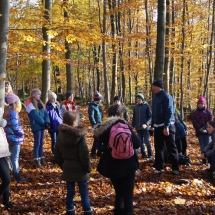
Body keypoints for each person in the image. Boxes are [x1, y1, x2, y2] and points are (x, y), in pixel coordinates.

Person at [93, 104, 141, 215]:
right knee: (128, 195)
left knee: (119, 193)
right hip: (129, 164)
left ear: (109, 114)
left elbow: (99, 143)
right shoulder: (125, 127)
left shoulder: (105, 128)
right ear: (121, 114)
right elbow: (138, 143)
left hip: (113, 164)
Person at [54, 111, 93, 215]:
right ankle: (87, 211)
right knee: (84, 192)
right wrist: (88, 168)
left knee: (70, 192)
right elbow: (84, 154)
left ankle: (70, 210)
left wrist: (64, 166)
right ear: (74, 121)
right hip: (81, 168)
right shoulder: (80, 136)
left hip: (67, 167)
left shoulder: (59, 136)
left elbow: (57, 154)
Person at [151, 79, 179, 175]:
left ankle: (175, 168)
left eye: (154, 86)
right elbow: (154, 114)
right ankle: (159, 166)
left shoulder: (167, 97)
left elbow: (169, 112)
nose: (152, 88)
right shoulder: (155, 99)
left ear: (158, 87)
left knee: (171, 147)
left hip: (168, 126)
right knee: (158, 147)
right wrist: (152, 126)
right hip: (157, 127)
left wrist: (166, 126)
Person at [3, 93, 28, 181]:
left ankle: (11, 172)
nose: (19, 103)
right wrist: (21, 133)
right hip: (14, 137)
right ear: (14, 102)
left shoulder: (7, 110)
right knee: (15, 157)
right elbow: (14, 125)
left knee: (11, 156)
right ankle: (17, 174)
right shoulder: (13, 112)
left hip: (9, 137)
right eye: (18, 101)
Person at [26, 89, 50, 168]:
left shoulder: (41, 103)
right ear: (34, 95)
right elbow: (35, 115)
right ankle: (36, 159)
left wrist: (47, 122)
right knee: (37, 143)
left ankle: (41, 157)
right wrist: (43, 123)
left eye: (40, 94)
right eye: (38, 94)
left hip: (42, 125)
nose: (40, 96)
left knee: (41, 143)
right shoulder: (30, 103)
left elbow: (46, 113)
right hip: (36, 125)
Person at [0, 107, 17, 210]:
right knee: (6, 179)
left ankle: (7, 202)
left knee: (7, 180)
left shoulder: (1, 126)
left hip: (4, 155)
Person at [192, 96, 213, 165]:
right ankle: (203, 160)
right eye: (199, 103)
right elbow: (194, 121)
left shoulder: (208, 112)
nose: (200, 105)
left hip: (207, 131)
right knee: (202, 145)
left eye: (202, 103)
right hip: (199, 131)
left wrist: (206, 128)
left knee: (208, 145)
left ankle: (209, 160)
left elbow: (210, 121)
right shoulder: (195, 113)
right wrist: (199, 128)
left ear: (204, 104)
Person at [132, 92, 152, 159]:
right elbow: (134, 117)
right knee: (140, 141)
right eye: (137, 98)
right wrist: (133, 125)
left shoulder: (146, 106)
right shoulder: (135, 107)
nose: (138, 99)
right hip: (138, 127)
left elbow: (150, 117)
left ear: (142, 99)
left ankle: (150, 154)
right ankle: (143, 154)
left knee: (147, 141)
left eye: (139, 98)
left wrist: (146, 124)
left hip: (144, 127)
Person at [46, 90, 63, 155]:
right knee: (54, 140)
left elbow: (59, 115)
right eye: (53, 98)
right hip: (52, 126)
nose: (55, 100)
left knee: (59, 140)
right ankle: (54, 153)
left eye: (55, 98)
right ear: (50, 99)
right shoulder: (48, 107)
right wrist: (48, 126)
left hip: (58, 125)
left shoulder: (56, 106)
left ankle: (59, 152)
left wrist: (61, 121)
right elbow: (47, 117)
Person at [88, 92, 103, 158]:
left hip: (100, 124)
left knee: (100, 139)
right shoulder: (92, 106)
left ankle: (99, 152)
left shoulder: (99, 106)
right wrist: (94, 125)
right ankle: (93, 153)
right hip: (96, 125)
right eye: (100, 100)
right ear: (97, 100)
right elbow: (91, 116)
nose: (100, 101)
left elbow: (101, 115)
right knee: (96, 139)